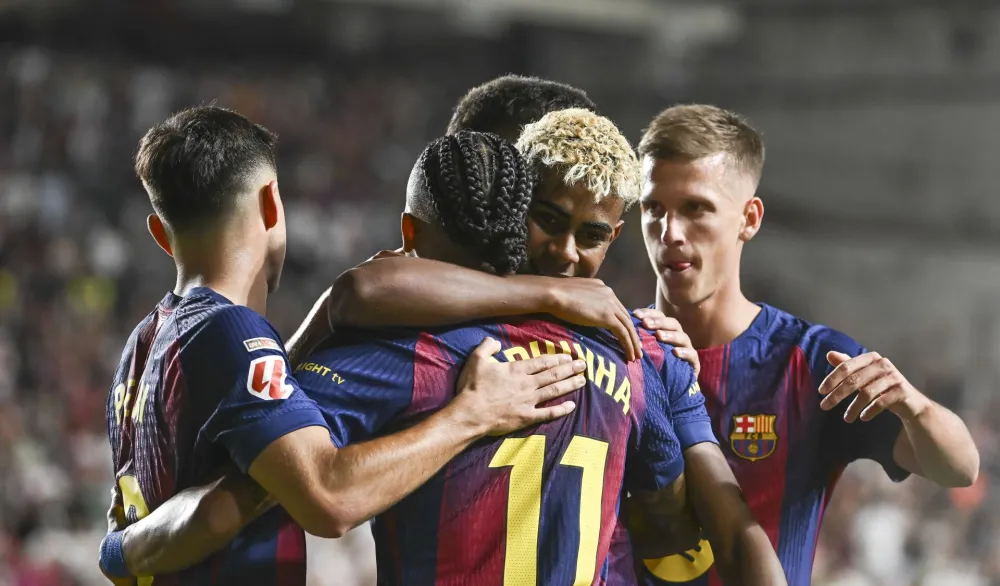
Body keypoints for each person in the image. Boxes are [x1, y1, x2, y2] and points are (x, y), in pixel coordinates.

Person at [99, 107, 588, 585]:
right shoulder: (229, 330)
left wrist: (116, 550)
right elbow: (329, 497)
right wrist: (471, 415)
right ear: (272, 202)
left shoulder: (140, 348)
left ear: (160, 233)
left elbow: (225, 465)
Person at [633, 103, 980, 586]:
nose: (670, 232)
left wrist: (914, 406)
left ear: (748, 219)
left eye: (696, 209)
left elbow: (960, 468)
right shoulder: (615, 352)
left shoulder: (811, 362)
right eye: (653, 208)